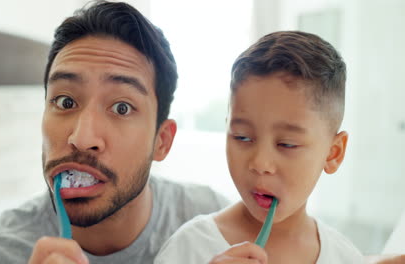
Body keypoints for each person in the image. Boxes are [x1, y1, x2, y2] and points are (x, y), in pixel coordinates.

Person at [0, 1, 229, 264]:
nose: (82, 139)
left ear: (162, 141)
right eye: (65, 102)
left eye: (121, 108)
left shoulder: (220, 227)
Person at [154, 31, 365, 264]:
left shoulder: (346, 257)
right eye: (242, 138)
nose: (260, 163)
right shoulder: (189, 247)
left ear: (333, 154)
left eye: (287, 144)